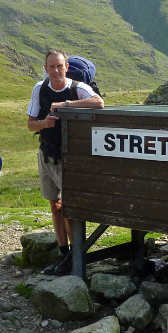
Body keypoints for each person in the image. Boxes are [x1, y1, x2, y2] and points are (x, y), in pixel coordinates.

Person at [26, 50, 104, 275]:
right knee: (54, 204)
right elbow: (31, 124)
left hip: (69, 159)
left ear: (67, 67)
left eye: (60, 66)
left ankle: (75, 256)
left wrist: (66, 104)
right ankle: (64, 253)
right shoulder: (40, 89)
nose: (56, 71)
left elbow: (99, 103)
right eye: (52, 67)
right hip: (46, 154)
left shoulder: (77, 87)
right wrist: (44, 123)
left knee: (69, 208)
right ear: (46, 68)